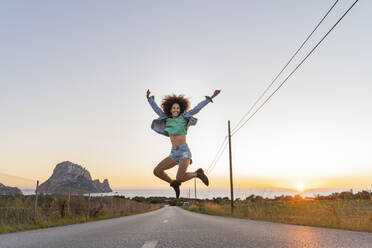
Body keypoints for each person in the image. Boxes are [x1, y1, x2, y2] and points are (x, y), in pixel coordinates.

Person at [147, 89, 221, 198]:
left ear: (180, 109)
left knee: (180, 177)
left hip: (184, 152)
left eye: (177, 108)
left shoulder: (184, 117)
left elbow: (197, 108)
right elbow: (156, 109)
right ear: (170, 110)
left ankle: (198, 173)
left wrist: (211, 97)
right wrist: (149, 99)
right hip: (173, 153)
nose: (176, 109)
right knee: (157, 171)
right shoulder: (166, 118)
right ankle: (173, 183)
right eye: (173, 108)